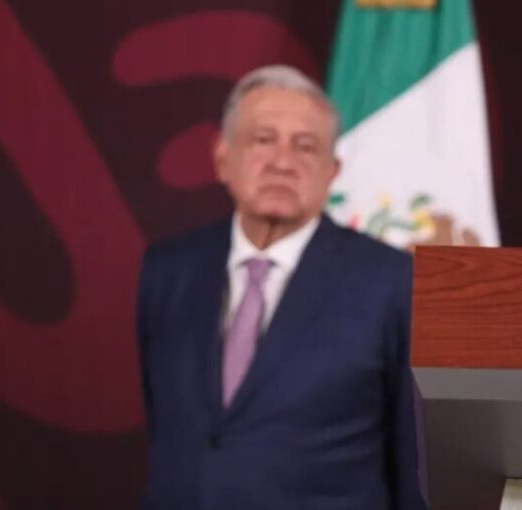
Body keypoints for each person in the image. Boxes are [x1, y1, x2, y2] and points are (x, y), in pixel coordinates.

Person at [136, 65, 426, 509]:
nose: (283, 162)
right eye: (263, 139)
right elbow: (170, 429)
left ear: (332, 171)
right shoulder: (168, 270)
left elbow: (414, 462)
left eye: (305, 147)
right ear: (222, 158)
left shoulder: (392, 282)